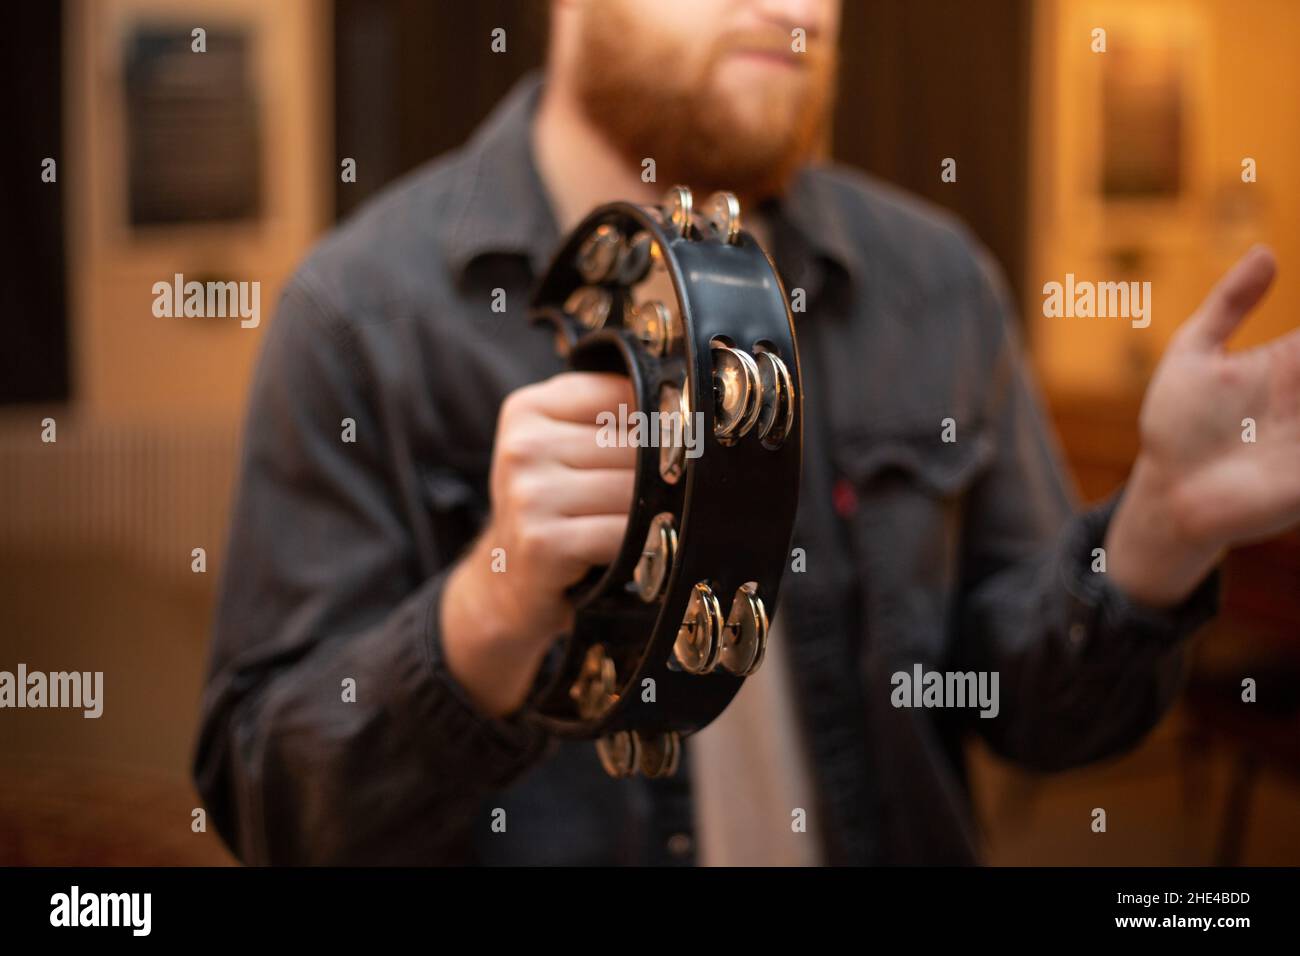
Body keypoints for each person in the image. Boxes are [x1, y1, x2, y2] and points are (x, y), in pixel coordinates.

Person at [193, 0, 1300, 864]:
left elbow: (1029, 714)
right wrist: (484, 611)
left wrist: (1158, 532)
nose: (805, 17)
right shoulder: (360, 313)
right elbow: (271, 804)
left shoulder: (937, 279)